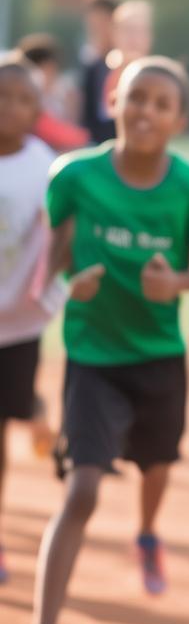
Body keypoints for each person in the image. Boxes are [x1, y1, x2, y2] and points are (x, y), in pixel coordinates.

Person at [0, 56, 189, 624]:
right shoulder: (74, 176)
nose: (146, 112)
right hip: (92, 357)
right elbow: (53, 259)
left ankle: (149, 533)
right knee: (83, 489)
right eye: (135, 99)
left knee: (157, 466)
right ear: (112, 100)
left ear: (180, 120)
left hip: (157, 357)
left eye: (161, 103)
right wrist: (71, 285)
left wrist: (176, 284)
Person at [0, 57, 68, 585]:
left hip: (16, 328)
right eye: (2, 95)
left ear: (37, 110)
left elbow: (59, 246)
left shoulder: (46, 168)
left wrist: (49, 297)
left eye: (22, 99)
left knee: (8, 422)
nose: (10, 107)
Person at [78, 0, 119, 145]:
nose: (97, 27)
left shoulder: (126, 63)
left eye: (102, 21)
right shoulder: (90, 62)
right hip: (94, 141)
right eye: (93, 22)